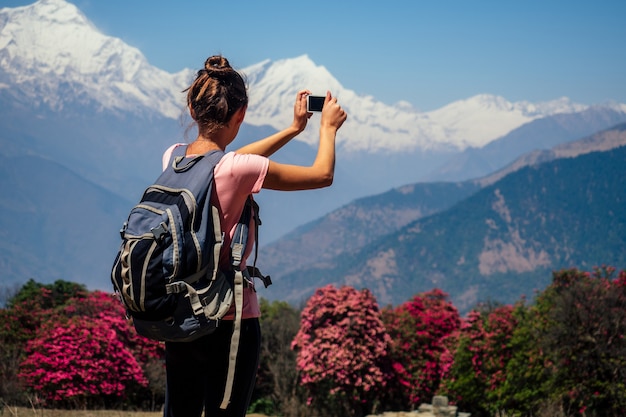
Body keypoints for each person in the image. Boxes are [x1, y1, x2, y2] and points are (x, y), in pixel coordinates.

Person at [161, 55, 347, 417]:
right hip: (230, 321)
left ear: (191, 107)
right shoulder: (238, 170)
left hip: (180, 313)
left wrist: (293, 130)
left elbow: (225, 161)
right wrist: (327, 130)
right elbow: (322, 175)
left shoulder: (174, 158)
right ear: (241, 114)